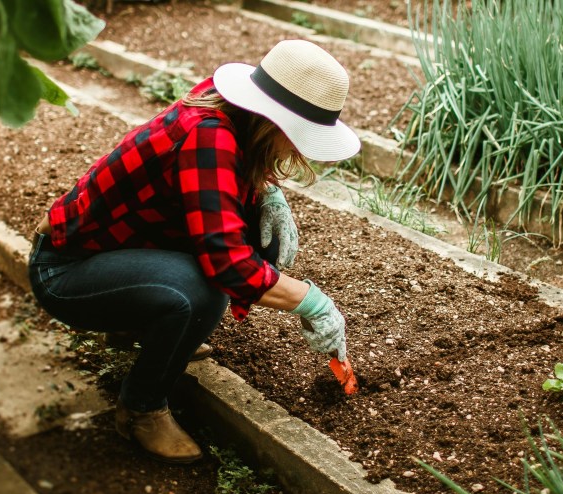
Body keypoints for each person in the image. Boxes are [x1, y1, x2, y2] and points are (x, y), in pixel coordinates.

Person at [28, 40, 360, 464]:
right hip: (64, 273)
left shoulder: (223, 107)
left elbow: (216, 193)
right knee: (201, 291)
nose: (298, 151)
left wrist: (267, 193)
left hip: (111, 254)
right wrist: (313, 302)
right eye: (298, 137)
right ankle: (141, 410)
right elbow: (229, 265)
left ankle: (136, 325)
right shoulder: (208, 136)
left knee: (255, 244)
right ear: (273, 122)